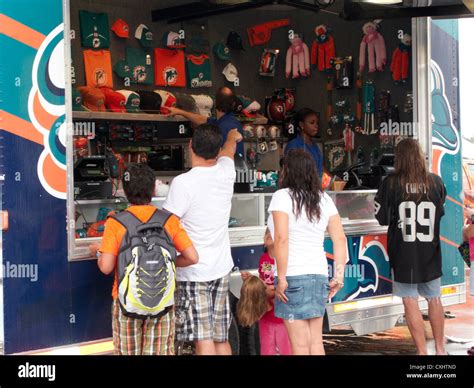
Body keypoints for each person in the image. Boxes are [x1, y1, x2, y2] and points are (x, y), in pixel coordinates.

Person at [89, 163, 198, 355]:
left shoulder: (116, 222)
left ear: (125, 191)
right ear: (154, 189)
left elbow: (106, 267)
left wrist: (98, 252)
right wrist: (171, 261)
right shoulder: (168, 220)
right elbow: (192, 257)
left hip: (126, 304)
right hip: (162, 304)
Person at [163, 124, 243, 355]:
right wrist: (232, 136)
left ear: (190, 146)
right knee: (220, 337)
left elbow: (168, 224)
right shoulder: (226, 171)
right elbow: (229, 149)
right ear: (217, 152)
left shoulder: (183, 182)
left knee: (202, 338)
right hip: (220, 268)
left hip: (193, 270)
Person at [374, 138, 448, 356]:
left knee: (410, 300)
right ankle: (441, 350)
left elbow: (382, 217)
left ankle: (422, 352)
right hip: (430, 252)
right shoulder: (436, 182)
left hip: (403, 251)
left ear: (400, 158)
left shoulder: (391, 182)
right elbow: (440, 212)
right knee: (435, 299)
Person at [270, 149, 347, 355]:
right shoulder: (323, 199)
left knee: (300, 346)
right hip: (318, 276)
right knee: (315, 343)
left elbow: (281, 238)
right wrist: (338, 276)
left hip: (293, 277)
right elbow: (340, 238)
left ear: (288, 171)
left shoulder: (282, 197)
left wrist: (282, 277)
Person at [240, 229, 292, 355]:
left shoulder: (286, 259)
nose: (268, 235)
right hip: (265, 316)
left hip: (282, 317)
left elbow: (286, 284)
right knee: (267, 348)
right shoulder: (264, 259)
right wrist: (253, 279)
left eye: (273, 231)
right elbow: (264, 280)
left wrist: (269, 289)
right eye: (266, 233)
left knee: (286, 348)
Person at [167, 86, 244, 156]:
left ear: (216, 103)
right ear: (233, 104)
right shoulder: (228, 121)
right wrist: (180, 112)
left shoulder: (220, 128)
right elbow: (203, 119)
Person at [284, 108, 323, 177]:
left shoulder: (314, 145)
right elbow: (292, 172)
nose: (316, 126)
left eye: (317, 123)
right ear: (301, 124)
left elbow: (320, 169)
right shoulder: (294, 145)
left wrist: (335, 180)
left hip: (316, 186)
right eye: (312, 123)